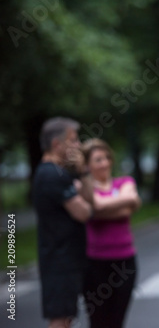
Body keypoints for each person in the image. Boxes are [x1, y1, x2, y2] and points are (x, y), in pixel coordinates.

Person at [32, 117, 94, 328]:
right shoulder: (52, 175)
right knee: (60, 319)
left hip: (62, 257)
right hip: (60, 260)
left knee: (66, 316)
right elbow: (84, 212)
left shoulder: (57, 173)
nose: (78, 146)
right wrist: (82, 178)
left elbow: (87, 201)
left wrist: (83, 173)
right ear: (57, 144)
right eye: (74, 140)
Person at [81, 138, 141, 328]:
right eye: (98, 160)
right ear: (87, 165)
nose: (105, 163)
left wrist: (100, 208)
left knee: (117, 321)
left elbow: (130, 203)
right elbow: (95, 207)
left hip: (124, 263)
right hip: (95, 264)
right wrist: (120, 205)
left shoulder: (124, 181)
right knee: (98, 321)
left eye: (107, 157)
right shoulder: (83, 189)